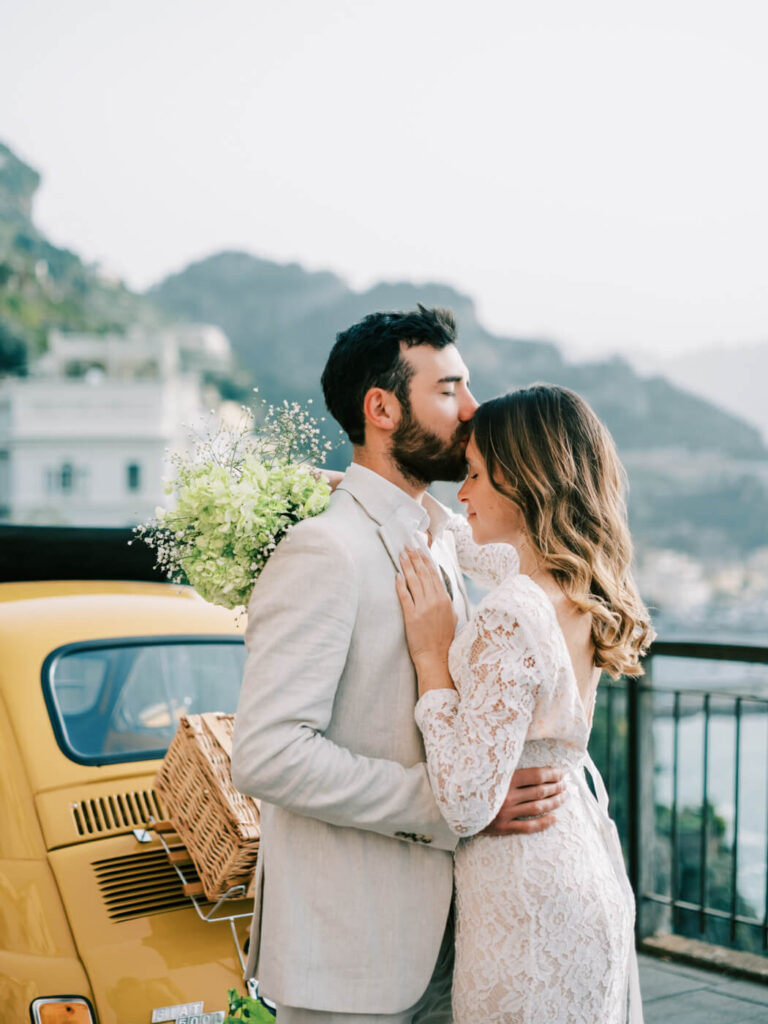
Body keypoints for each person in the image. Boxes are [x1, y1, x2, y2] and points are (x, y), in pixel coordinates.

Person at [231, 307, 566, 1023]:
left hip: (458, 945)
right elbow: (267, 755)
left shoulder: (444, 535)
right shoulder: (324, 551)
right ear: (381, 408)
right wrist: (455, 810)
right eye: (449, 390)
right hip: (351, 956)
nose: (473, 412)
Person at [395, 384, 654, 1024]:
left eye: (477, 475)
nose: (463, 491)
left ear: (524, 482)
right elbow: (461, 535)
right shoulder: (573, 580)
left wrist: (432, 658)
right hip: (575, 864)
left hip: (525, 895)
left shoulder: (513, 609)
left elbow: (463, 800)